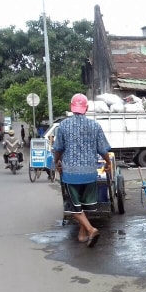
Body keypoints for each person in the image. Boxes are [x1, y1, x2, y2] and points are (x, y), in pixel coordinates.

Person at [53, 93, 111, 248]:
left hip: (70, 173)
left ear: (71, 107)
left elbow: (58, 148)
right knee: (84, 205)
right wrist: (108, 162)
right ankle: (82, 233)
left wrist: (56, 161)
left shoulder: (64, 125)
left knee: (73, 207)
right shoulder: (95, 126)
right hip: (90, 172)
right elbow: (103, 148)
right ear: (86, 108)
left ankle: (91, 230)